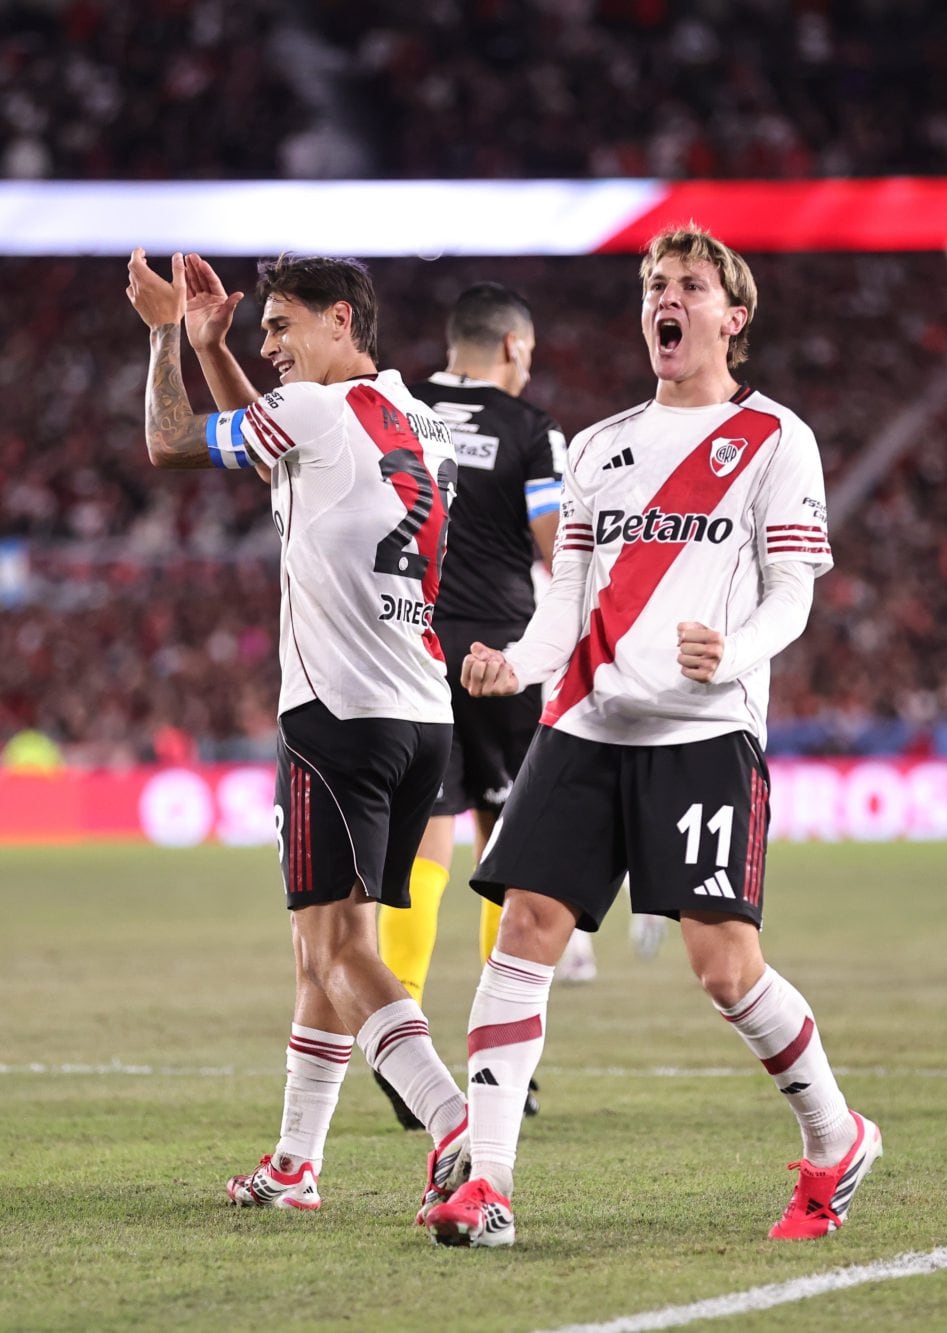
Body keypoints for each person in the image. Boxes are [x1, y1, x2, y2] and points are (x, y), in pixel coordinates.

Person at [422, 224, 881, 1249]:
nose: (665, 299)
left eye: (689, 285)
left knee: (724, 968)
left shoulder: (775, 439)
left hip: (703, 731)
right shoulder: (599, 446)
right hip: (583, 723)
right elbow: (566, 595)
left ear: (732, 316)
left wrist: (734, 650)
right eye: (654, 285)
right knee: (524, 929)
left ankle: (835, 1135)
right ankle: (487, 1184)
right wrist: (518, 662)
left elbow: (793, 592)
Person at [126, 247, 472, 1218]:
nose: (267, 342)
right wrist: (216, 347)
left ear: (341, 320)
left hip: (336, 718)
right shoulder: (418, 421)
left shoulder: (315, 414)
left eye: (280, 325)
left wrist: (165, 336)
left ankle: (456, 1124)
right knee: (320, 943)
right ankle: (294, 1162)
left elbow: (170, 440)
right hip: (420, 716)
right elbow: (282, 451)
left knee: (335, 947)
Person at [373, 283, 567, 1133]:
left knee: (425, 842)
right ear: (515, 346)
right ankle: (502, 1054)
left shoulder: (398, 408)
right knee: (508, 842)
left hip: (410, 646)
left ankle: (401, 1045)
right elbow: (556, 545)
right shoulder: (531, 429)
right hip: (503, 656)